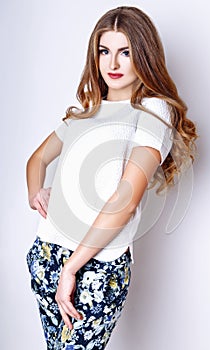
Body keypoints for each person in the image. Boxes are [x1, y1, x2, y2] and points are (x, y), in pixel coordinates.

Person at [26, 6, 197, 350]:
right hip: (47, 254)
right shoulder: (87, 111)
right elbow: (37, 159)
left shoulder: (153, 110)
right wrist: (36, 193)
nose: (113, 64)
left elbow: (126, 198)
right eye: (105, 51)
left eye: (125, 52)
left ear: (144, 55)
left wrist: (72, 268)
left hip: (97, 266)